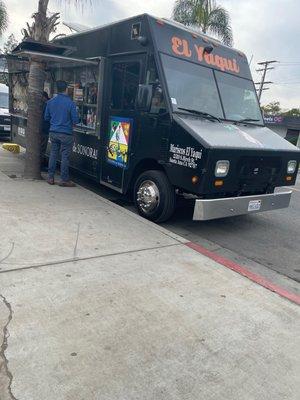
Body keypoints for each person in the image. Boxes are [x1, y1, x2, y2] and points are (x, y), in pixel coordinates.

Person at [44, 80, 79, 186]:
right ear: (66, 89)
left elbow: (46, 117)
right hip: (66, 133)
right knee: (65, 156)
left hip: (53, 132)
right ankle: (64, 179)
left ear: (57, 89)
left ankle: (50, 177)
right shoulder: (70, 103)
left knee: (53, 154)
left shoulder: (50, 102)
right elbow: (75, 120)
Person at [40, 91, 50, 169]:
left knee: (42, 147)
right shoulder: (46, 104)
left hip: (44, 129)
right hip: (45, 129)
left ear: (44, 97)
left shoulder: (46, 104)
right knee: (42, 147)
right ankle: (41, 164)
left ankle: (41, 164)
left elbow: (46, 117)